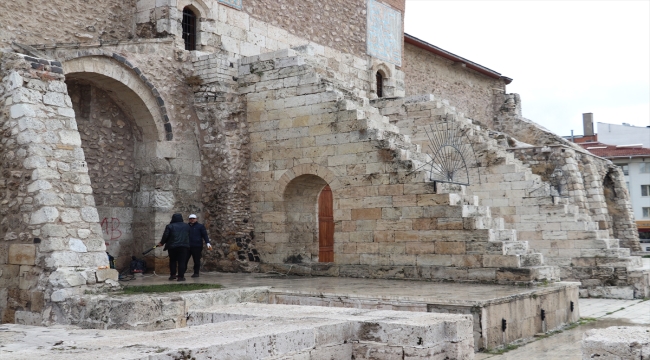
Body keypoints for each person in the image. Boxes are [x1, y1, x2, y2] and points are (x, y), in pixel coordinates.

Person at [158, 213, 190, 281]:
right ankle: (181, 277)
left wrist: (162, 243)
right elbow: (189, 235)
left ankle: (173, 275)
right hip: (183, 246)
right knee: (182, 261)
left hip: (172, 246)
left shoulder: (169, 226)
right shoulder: (187, 226)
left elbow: (165, 235)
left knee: (172, 261)